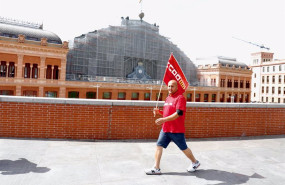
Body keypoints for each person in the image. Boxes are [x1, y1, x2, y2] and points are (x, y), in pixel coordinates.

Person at [145, 80, 200, 175]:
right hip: (165, 129)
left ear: (177, 87)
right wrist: (159, 113)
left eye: (172, 86)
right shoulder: (168, 98)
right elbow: (168, 112)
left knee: (184, 148)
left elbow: (179, 113)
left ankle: (195, 162)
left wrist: (164, 119)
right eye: (169, 86)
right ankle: (156, 168)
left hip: (176, 130)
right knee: (159, 146)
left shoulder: (180, 98)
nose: (170, 88)